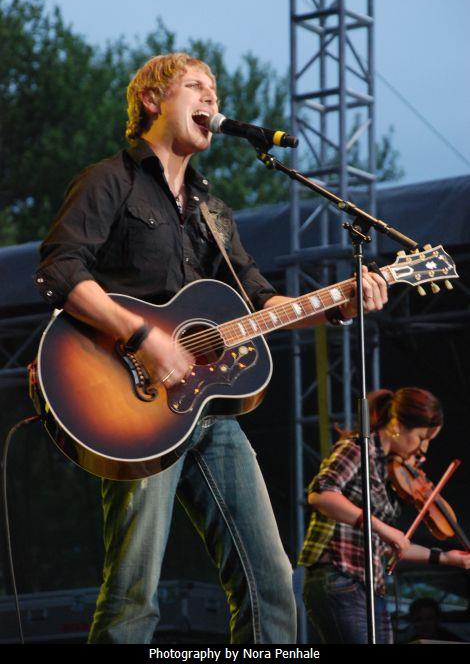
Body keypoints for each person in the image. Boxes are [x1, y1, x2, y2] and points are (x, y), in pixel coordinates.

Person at [35, 52, 388, 644]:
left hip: (208, 411)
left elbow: (263, 303)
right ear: (152, 100)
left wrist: (339, 303)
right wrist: (144, 337)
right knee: (133, 596)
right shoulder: (110, 179)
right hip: (134, 404)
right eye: (195, 87)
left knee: (273, 586)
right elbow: (60, 270)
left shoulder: (212, 209)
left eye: (215, 92)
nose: (211, 99)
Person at [299, 387, 470, 644]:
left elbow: (391, 544)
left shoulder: (388, 471)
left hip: (371, 586)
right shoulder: (359, 448)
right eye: (421, 438)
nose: (423, 450)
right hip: (338, 576)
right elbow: (321, 494)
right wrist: (380, 526)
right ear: (397, 426)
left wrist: (445, 558)